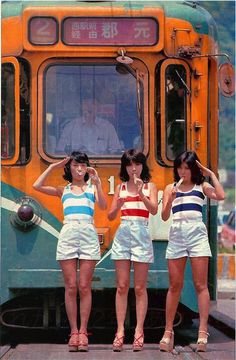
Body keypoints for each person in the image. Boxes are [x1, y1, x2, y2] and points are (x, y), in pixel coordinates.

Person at [33, 151, 107, 352]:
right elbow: (36, 186)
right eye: (75, 165)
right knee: (71, 286)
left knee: (84, 286)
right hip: (68, 235)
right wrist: (53, 167)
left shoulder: (92, 188)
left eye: (83, 165)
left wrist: (98, 182)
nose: (79, 169)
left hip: (88, 235)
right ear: (70, 168)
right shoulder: (63, 190)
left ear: (87, 167)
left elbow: (103, 205)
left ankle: (83, 331)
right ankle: (73, 331)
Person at [159, 151, 225, 353]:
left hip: (196, 234)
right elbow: (163, 216)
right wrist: (170, 199)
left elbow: (221, 195)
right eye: (180, 167)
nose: (183, 171)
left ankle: (203, 332)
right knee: (174, 285)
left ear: (193, 169)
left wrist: (210, 174)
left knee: (200, 284)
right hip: (177, 234)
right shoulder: (171, 187)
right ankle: (168, 331)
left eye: (187, 168)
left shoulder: (201, 186)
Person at [108, 149, 158, 352]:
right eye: (129, 165)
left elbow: (153, 210)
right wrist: (118, 204)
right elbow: (111, 216)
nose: (133, 168)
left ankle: (139, 330)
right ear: (125, 167)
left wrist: (140, 194)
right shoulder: (120, 187)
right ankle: (120, 331)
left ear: (142, 165)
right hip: (123, 233)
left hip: (141, 233)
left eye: (137, 164)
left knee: (139, 288)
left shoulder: (149, 186)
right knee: (121, 286)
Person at [56, 98, 123, 155]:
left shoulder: (108, 127)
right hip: (78, 166)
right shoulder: (71, 126)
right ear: (81, 106)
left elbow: (116, 151)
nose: (89, 106)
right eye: (86, 103)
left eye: (93, 103)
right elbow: (60, 151)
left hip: (100, 166)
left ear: (98, 107)